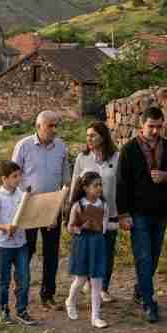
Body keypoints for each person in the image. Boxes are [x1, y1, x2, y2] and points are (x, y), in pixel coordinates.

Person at [116, 106, 167, 323]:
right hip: (138, 213)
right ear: (141, 126)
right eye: (151, 126)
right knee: (143, 257)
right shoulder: (129, 150)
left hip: (160, 211)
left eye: (158, 126)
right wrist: (123, 214)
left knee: (153, 257)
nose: (155, 131)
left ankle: (139, 289)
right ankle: (148, 302)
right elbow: (121, 184)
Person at [11, 110, 71, 309]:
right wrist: (20, 196)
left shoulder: (61, 146)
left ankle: (48, 295)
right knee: (26, 250)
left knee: (51, 252)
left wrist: (64, 203)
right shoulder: (24, 145)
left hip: (52, 206)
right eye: (50, 126)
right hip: (28, 205)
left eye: (56, 126)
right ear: (39, 126)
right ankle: (21, 289)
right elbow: (13, 174)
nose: (54, 130)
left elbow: (65, 178)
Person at [68, 121, 120, 303]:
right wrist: (71, 210)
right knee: (91, 248)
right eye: (87, 135)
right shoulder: (83, 158)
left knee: (107, 250)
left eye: (93, 135)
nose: (88, 139)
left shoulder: (116, 158)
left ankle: (103, 288)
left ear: (103, 137)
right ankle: (89, 283)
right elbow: (76, 183)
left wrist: (124, 212)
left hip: (110, 209)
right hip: (88, 210)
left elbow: (121, 185)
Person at [65, 171, 118, 328]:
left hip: (98, 243)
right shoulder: (78, 205)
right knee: (81, 278)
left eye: (100, 184)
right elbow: (70, 227)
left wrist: (119, 225)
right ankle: (70, 300)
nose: (100, 188)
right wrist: (81, 227)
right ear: (86, 187)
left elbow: (105, 225)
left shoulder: (104, 204)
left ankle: (95, 317)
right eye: (96, 185)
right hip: (82, 243)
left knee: (97, 281)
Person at [0, 160, 37, 326]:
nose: (19, 179)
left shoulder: (21, 195)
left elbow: (28, 215)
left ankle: (22, 311)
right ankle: (3, 312)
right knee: (4, 280)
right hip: (3, 246)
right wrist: (5, 227)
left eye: (20, 175)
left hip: (21, 244)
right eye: (15, 176)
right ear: (4, 179)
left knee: (24, 278)